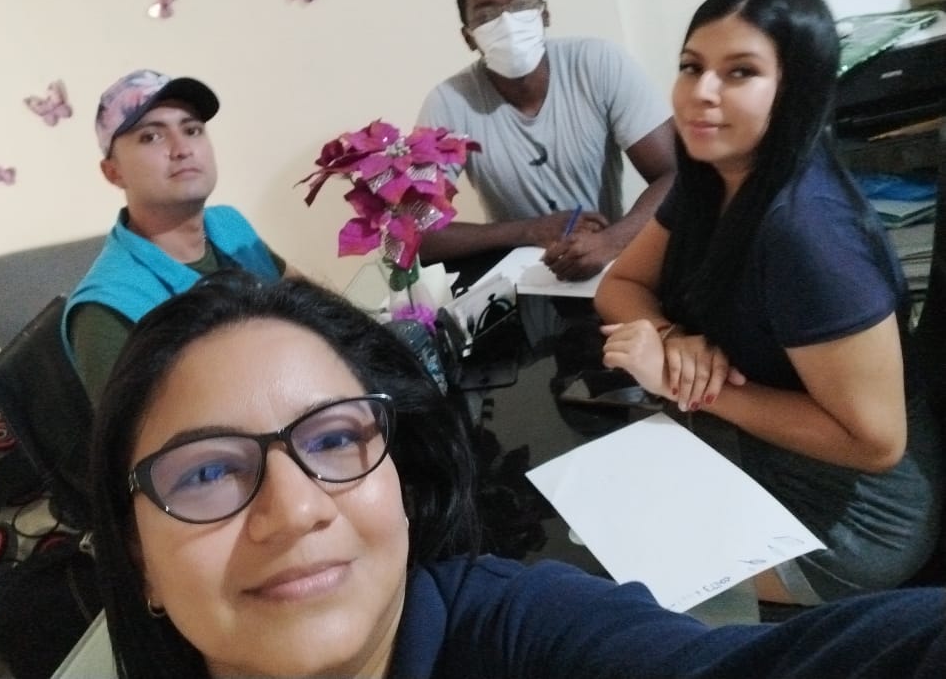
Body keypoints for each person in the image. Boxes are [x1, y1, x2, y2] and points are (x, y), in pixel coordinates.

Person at [89, 269, 946, 679]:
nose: (296, 509)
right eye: (208, 472)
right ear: (138, 560)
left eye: (335, 438)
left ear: (401, 481)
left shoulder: (521, 635)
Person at [595, 0, 943, 605]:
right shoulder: (711, 177)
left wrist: (687, 383)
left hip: (854, 520)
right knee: (592, 517)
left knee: (612, 579)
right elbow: (622, 283)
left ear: (795, 89)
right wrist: (673, 339)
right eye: (691, 66)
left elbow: (877, 442)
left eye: (740, 72)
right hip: (760, 449)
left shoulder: (808, 236)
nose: (702, 91)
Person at [416, 0, 676, 281]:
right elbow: (416, 233)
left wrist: (611, 241)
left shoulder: (598, 64)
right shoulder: (448, 102)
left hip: (609, 266)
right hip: (521, 278)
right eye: (486, 16)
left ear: (545, 14)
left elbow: (675, 175)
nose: (507, 23)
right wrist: (529, 230)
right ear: (469, 37)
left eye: (521, 4)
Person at [61, 69, 300, 404]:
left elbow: (312, 304)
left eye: (192, 130)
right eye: (151, 137)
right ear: (113, 172)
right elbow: (143, 435)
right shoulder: (106, 310)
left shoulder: (229, 225)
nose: (182, 148)